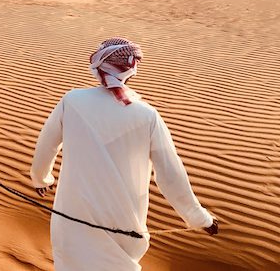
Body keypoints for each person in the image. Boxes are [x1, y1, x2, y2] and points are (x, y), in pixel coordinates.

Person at [30, 37, 218, 270]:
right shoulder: (147, 115)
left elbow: (46, 146)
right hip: (124, 224)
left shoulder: (72, 101)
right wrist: (200, 218)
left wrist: (41, 179)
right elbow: (170, 174)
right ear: (131, 70)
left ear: (97, 66)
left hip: (71, 219)